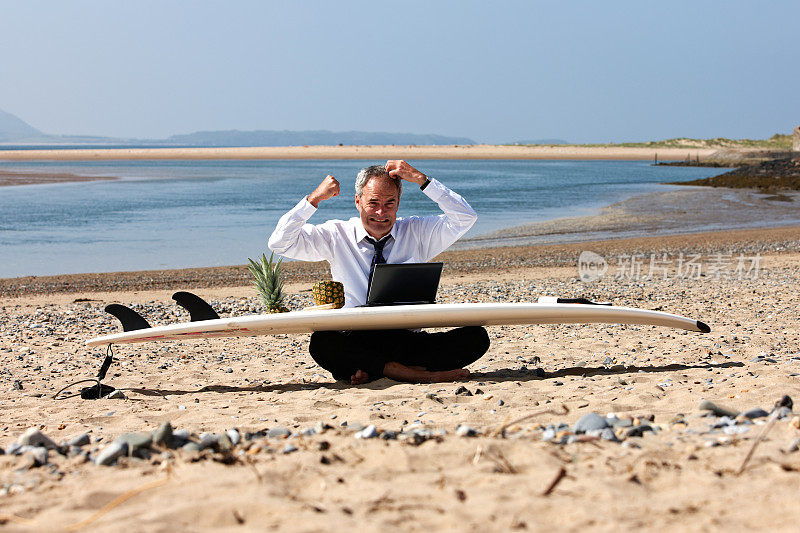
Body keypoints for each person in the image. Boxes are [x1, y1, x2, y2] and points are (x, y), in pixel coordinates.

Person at [268, 160, 490, 384]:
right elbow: (279, 243)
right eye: (373, 203)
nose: (381, 212)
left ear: (399, 202)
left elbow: (465, 217)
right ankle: (409, 372)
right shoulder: (336, 235)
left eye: (389, 203)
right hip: (356, 337)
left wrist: (422, 180)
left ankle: (376, 370)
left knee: (477, 337)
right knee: (322, 343)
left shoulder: (416, 231)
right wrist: (313, 200)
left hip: (406, 340)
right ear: (358, 201)